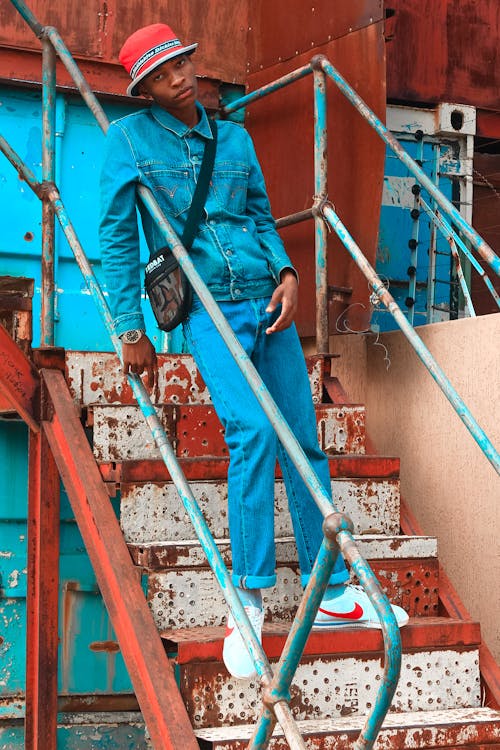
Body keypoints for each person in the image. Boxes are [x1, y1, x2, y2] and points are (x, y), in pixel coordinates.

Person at [99, 23, 408, 681]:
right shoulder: (126, 142)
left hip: (264, 299)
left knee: (304, 437)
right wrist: (131, 333)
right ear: (145, 88)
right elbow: (120, 241)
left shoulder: (234, 139)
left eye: (180, 65)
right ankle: (250, 600)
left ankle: (328, 594)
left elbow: (262, 218)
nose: (177, 79)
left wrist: (289, 276)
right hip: (208, 309)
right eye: (160, 75)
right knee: (252, 434)